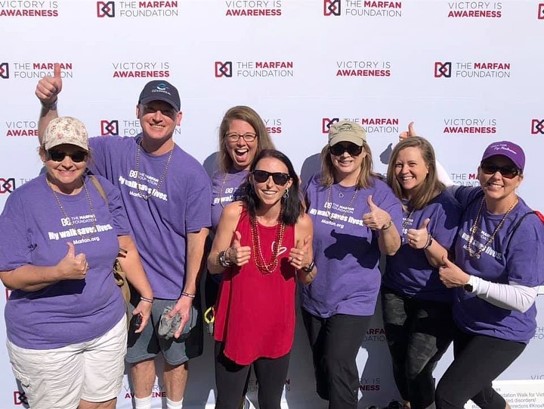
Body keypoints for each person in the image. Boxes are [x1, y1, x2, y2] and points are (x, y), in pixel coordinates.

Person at [35, 67, 212, 409]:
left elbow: (197, 239)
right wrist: (50, 104)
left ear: (179, 117)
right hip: (130, 287)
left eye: (165, 110)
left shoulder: (191, 172)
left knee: (176, 361)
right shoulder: (112, 151)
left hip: (176, 290)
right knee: (139, 358)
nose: (157, 116)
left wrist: (189, 293)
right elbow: (54, 142)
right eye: (150, 108)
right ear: (137, 111)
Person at [0, 116, 153, 409]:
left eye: (77, 154)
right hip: (47, 339)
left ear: (88, 157)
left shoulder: (102, 190)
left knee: (103, 404)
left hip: (106, 329)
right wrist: (58, 272)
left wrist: (146, 295)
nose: (67, 162)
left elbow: (126, 247)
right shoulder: (22, 201)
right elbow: (10, 274)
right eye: (57, 153)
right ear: (43, 154)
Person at [435, 141, 544, 409]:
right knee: (480, 393)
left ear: (519, 179)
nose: (497, 176)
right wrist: (422, 147)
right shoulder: (474, 199)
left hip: (503, 331)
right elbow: (447, 185)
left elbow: (523, 298)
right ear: (479, 171)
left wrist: (468, 282)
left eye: (508, 171)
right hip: (469, 322)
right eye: (491, 167)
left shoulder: (525, 226)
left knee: (448, 396)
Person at [302, 120, 403, 409]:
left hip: (354, 297)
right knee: (325, 374)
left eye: (353, 148)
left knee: (338, 362)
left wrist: (385, 225)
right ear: (329, 152)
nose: (345, 154)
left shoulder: (379, 192)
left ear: (364, 152)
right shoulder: (316, 186)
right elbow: (295, 225)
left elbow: (392, 248)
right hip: (314, 292)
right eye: (339, 148)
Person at [207, 149, 315, 409]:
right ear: (252, 179)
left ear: (289, 183)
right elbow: (212, 266)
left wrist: (306, 264)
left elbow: (308, 277)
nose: (269, 184)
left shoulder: (300, 222)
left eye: (278, 178)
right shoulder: (234, 213)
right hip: (236, 324)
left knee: (270, 403)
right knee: (228, 403)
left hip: (276, 327)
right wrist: (228, 257)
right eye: (262, 175)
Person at [381, 135, 462, 409]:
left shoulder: (445, 205)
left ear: (429, 167)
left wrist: (427, 242)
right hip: (396, 292)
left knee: (417, 367)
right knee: (399, 360)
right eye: (399, 164)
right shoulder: (389, 197)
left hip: (436, 301)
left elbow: (448, 263)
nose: (405, 171)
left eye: (412, 164)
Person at [206, 105, 275, 307]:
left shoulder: (275, 177)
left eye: (248, 136)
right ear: (225, 140)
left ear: (259, 138)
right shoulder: (218, 179)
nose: (241, 142)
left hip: (261, 283)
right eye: (234, 136)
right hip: (221, 281)